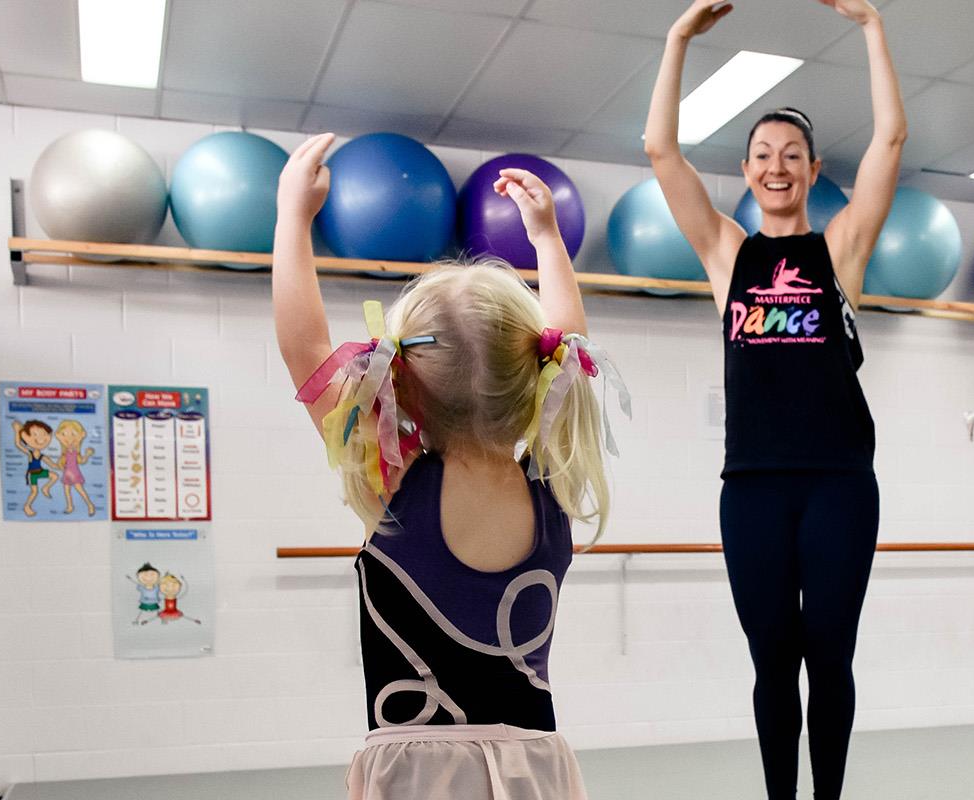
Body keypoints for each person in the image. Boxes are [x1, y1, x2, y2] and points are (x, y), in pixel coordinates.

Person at [271, 133, 627, 800]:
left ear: (396, 386)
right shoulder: (550, 482)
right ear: (539, 379)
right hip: (534, 771)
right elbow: (571, 344)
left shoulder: (394, 481)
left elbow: (305, 348)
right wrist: (548, 238)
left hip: (419, 775)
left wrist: (293, 217)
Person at [645, 1, 907, 796]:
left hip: (837, 483)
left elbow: (891, 139)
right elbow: (660, 149)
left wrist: (871, 28)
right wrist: (677, 38)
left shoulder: (841, 248)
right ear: (750, 170)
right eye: (762, 153)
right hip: (753, 488)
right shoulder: (728, 252)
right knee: (772, 663)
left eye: (793, 152)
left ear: (813, 169)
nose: (777, 164)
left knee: (830, 656)